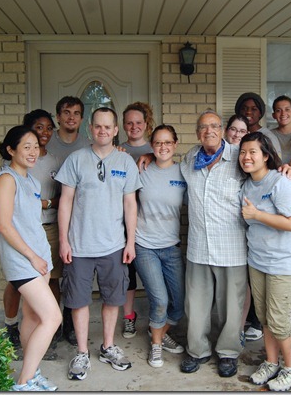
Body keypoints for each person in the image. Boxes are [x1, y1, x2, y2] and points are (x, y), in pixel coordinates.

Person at [56, 107, 142, 380]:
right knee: (79, 301)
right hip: (79, 246)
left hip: (114, 245)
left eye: (108, 127)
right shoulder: (75, 159)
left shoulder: (125, 162)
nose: (102, 131)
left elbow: (130, 204)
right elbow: (65, 201)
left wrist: (130, 242)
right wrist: (63, 241)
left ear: (116, 130)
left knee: (113, 298)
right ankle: (82, 352)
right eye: (98, 126)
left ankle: (108, 346)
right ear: (90, 128)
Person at [0, 125, 61, 391]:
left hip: (39, 259)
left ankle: (31, 373)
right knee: (52, 317)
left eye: (35, 146)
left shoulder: (31, 180)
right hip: (24, 261)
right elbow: (5, 225)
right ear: (11, 150)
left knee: (32, 317)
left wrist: (42, 257)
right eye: (26, 147)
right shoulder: (6, 180)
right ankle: (22, 384)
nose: (33, 152)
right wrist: (32, 257)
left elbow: (31, 221)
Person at [178, 110, 248, 378]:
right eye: (203, 127)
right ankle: (197, 350)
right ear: (197, 133)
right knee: (195, 305)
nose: (209, 131)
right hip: (198, 247)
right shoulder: (190, 159)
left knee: (231, 307)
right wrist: (147, 157)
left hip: (232, 248)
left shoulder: (239, 157)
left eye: (214, 126)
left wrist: (285, 169)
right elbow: (165, 164)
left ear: (222, 130)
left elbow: (265, 172)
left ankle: (228, 352)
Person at [238, 132, 291, 391]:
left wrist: (257, 214)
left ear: (266, 155)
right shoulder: (247, 185)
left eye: (253, 152)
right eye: (243, 152)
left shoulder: (281, 182)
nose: (246, 157)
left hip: (283, 263)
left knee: (279, 320)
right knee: (265, 317)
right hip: (258, 261)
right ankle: (271, 362)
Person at [133, 124, 186, 368]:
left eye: (167, 142)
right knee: (160, 300)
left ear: (175, 144)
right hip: (144, 245)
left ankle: (160, 332)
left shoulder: (183, 172)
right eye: (157, 142)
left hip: (171, 247)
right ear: (151, 146)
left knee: (179, 303)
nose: (163, 147)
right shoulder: (141, 169)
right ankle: (156, 345)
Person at [46, 95, 93, 347]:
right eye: (66, 112)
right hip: (52, 219)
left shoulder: (88, 146)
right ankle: (53, 322)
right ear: (58, 116)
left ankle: (70, 321)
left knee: (74, 276)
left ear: (82, 119)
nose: (71, 117)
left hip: (81, 222)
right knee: (53, 275)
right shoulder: (47, 143)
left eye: (76, 113)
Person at [224, 114, 263, 343]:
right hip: (226, 232)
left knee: (247, 282)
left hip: (250, 230)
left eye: (242, 131)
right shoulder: (218, 155)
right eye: (233, 129)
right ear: (226, 131)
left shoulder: (249, 158)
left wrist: (286, 168)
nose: (236, 134)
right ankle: (232, 326)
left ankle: (243, 326)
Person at [119, 101, 155, 339]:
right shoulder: (116, 150)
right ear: (123, 125)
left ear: (146, 123)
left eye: (138, 122)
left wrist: (152, 155)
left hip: (151, 222)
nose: (134, 127)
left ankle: (157, 319)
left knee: (153, 276)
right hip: (123, 222)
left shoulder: (156, 148)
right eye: (129, 123)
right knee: (128, 272)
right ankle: (129, 316)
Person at [234, 92, 283, 160]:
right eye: (244, 108)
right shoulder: (234, 135)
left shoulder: (268, 137)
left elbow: (277, 162)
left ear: (260, 113)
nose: (248, 112)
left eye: (254, 109)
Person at [270, 95, 291, 165]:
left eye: (287, 109)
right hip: (276, 171)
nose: (283, 114)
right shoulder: (269, 135)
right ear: (274, 115)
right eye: (278, 110)